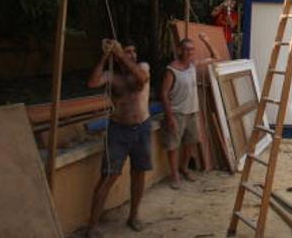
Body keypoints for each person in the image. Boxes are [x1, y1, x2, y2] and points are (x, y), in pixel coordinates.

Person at [86, 39, 151, 237]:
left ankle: (133, 216)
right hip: (118, 130)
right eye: (127, 51)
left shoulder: (142, 67)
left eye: (133, 51)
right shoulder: (112, 76)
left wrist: (121, 54)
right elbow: (92, 83)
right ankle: (93, 226)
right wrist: (106, 56)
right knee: (109, 175)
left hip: (142, 128)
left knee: (139, 173)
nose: (131, 55)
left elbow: (140, 80)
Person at [161, 32, 218, 189]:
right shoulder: (172, 69)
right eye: (187, 49)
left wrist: (206, 41)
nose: (190, 52)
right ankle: (174, 176)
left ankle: (184, 168)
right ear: (179, 50)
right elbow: (164, 94)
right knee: (173, 146)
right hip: (177, 113)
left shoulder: (193, 65)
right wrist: (170, 117)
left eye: (192, 49)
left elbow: (216, 57)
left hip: (192, 112)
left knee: (191, 143)